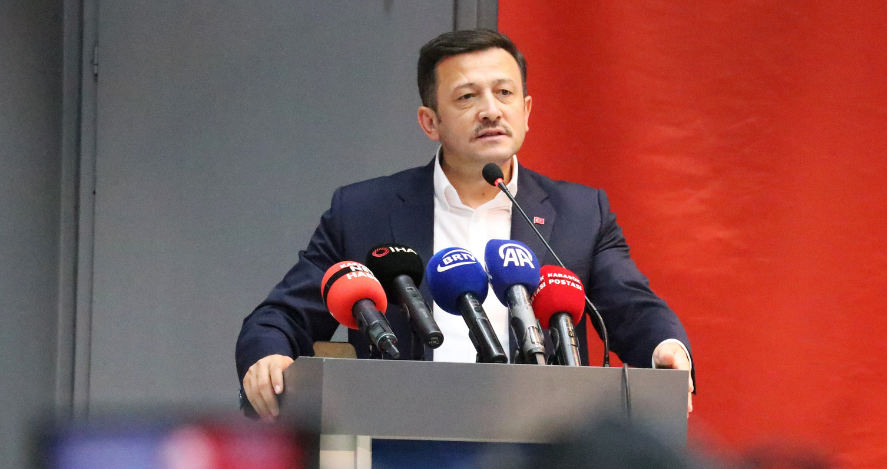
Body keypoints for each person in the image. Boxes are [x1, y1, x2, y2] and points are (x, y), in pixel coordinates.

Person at [236, 29, 693, 420]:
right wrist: (268, 356)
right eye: (467, 97)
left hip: (541, 446)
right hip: (400, 438)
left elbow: (632, 308)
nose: (491, 110)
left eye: (504, 93)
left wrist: (667, 348)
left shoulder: (580, 213)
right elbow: (281, 317)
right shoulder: (364, 211)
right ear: (430, 122)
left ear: (527, 112)